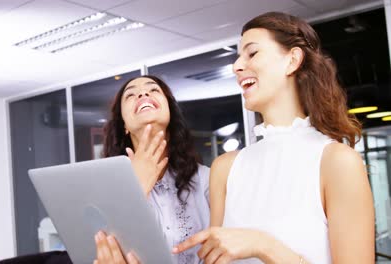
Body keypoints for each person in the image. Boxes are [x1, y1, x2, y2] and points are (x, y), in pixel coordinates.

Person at [173, 12, 375, 264]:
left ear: (292, 60)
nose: (237, 66)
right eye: (238, 57)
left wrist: (264, 246)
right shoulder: (225, 168)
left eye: (252, 53)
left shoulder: (337, 162)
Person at [94, 75, 211, 264]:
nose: (143, 93)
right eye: (131, 95)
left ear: (170, 113)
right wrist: (135, 188)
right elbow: (100, 249)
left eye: (154, 90)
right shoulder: (105, 186)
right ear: (124, 125)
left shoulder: (206, 178)